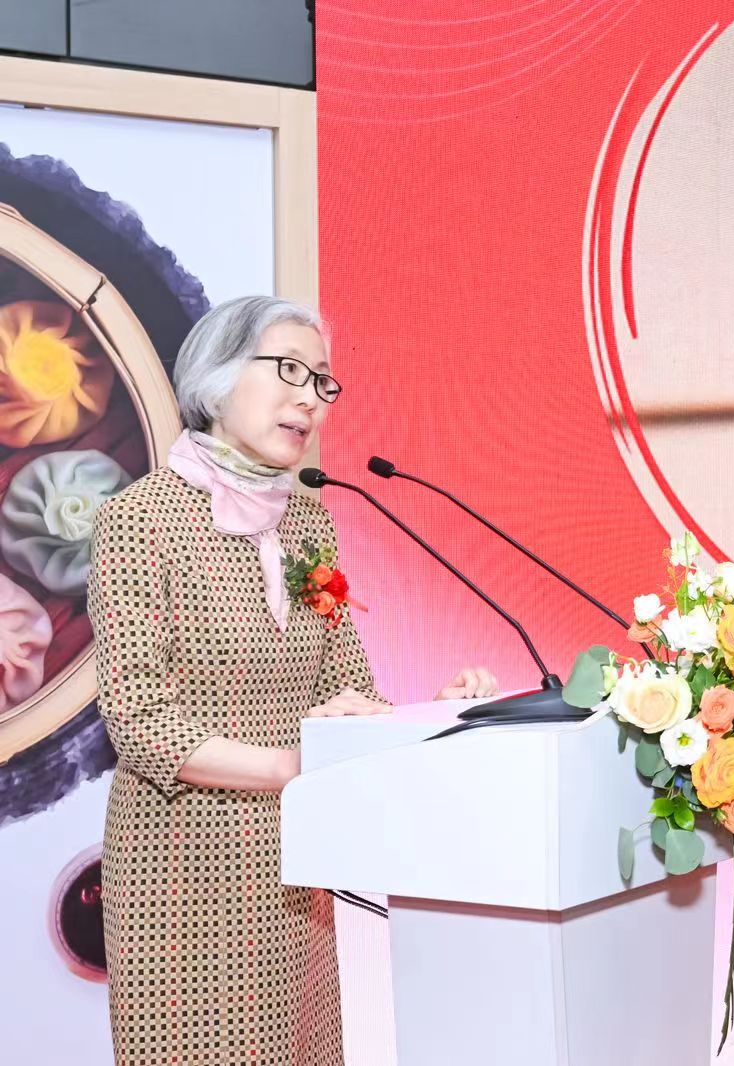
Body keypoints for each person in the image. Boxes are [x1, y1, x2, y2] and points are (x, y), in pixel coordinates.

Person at [87, 295, 498, 1066]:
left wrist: (425, 716)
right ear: (216, 377)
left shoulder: (310, 521)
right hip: (184, 865)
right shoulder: (141, 518)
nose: (310, 398)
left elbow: (346, 688)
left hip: (301, 858)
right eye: (289, 371)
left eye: (322, 381)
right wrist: (289, 766)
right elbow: (139, 719)